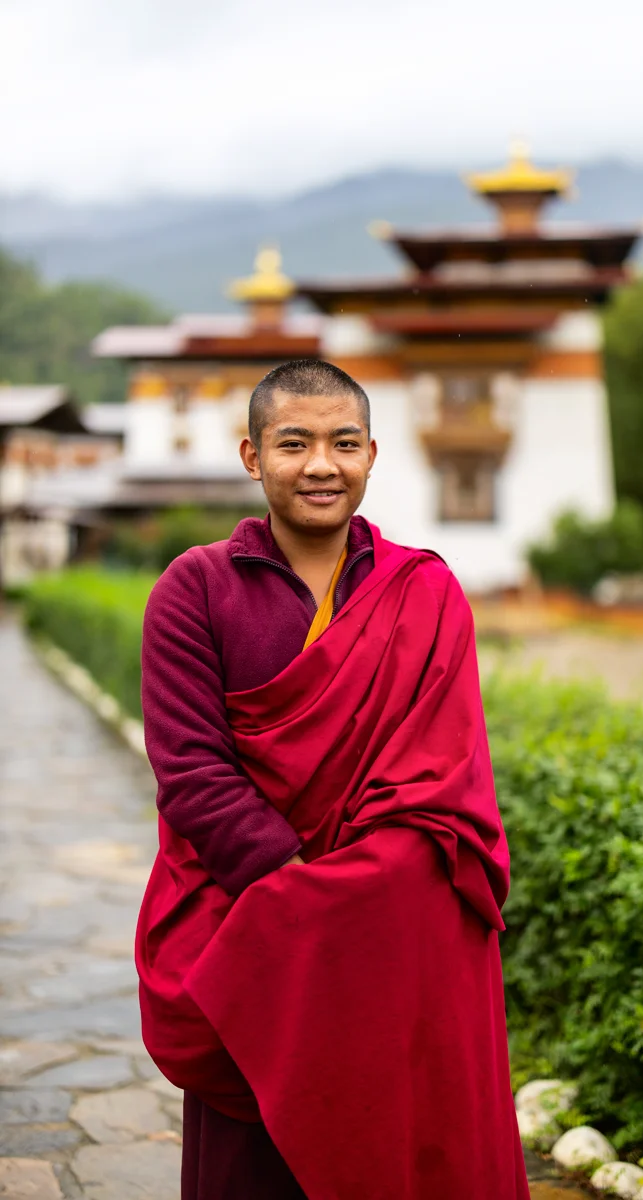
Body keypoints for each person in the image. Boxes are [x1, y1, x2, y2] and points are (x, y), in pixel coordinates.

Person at [135, 360, 528, 1200]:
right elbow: (192, 770)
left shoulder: (424, 591)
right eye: (294, 444)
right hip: (253, 919)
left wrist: (355, 901)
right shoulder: (197, 588)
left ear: (372, 456)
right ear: (252, 457)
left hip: (386, 924)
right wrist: (302, 901)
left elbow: (442, 778)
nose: (321, 465)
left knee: (394, 1143)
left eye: (344, 444)